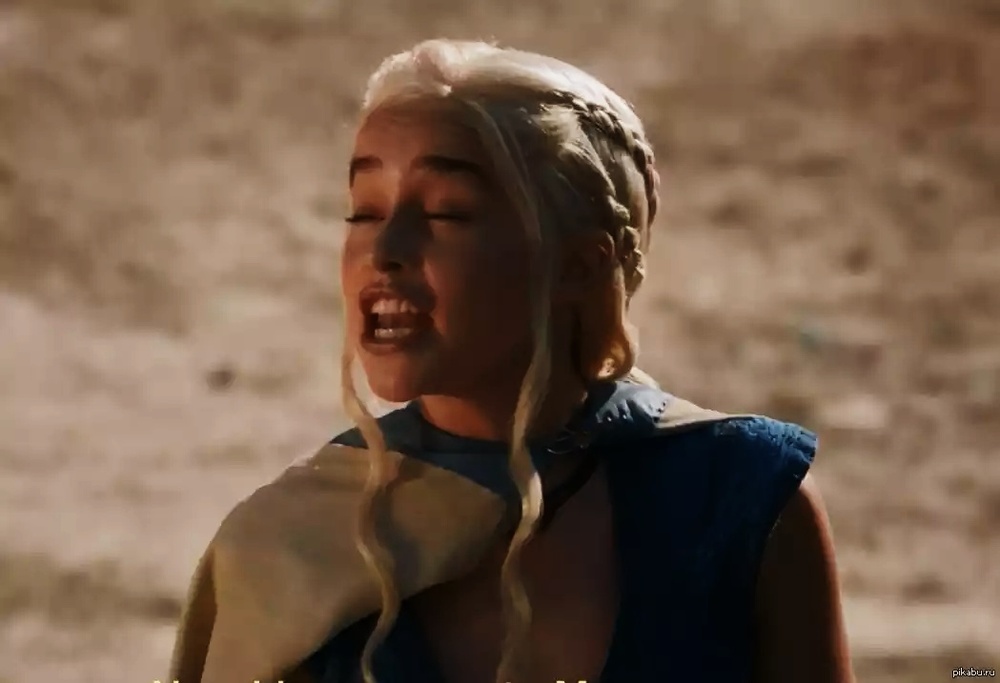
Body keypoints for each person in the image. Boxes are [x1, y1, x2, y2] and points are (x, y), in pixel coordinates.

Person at [168, 39, 855, 683]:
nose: (385, 251)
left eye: (446, 213)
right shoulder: (285, 552)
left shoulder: (737, 501)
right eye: (365, 212)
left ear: (579, 265)